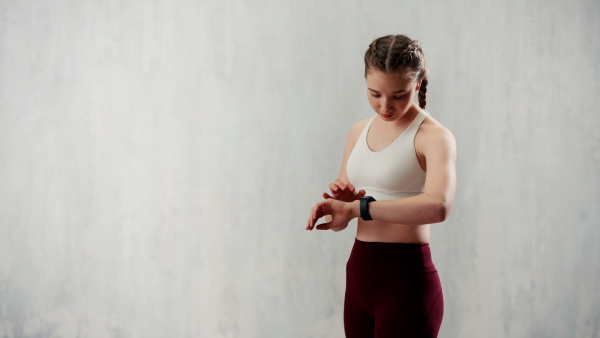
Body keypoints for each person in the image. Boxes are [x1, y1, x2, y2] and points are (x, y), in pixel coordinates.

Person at [305, 34, 457, 337]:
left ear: (417, 83)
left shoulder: (434, 137)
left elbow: (438, 206)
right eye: (375, 94)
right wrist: (341, 212)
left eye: (398, 95)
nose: (385, 106)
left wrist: (361, 208)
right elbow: (346, 214)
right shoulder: (358, 131)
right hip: (359, 274)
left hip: (406, 283)